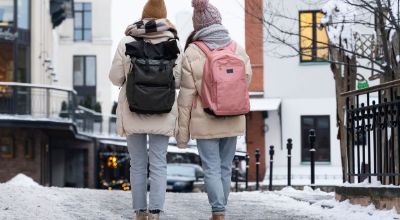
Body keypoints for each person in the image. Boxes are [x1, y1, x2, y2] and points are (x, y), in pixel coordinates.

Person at [176, 0, 253, 219]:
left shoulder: (192, 51)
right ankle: (221, 209)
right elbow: (246, 80)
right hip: (233, 116)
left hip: (205, 118)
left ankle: (218, 211)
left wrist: (182, 135)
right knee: (225, 167)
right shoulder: (236, 48)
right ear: (218, 21)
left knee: (211, 167)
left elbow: (185, 97)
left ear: (198, 25)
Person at [108, 0, 181, 219]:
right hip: (163, 110)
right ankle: (156, 212)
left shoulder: (127, 41)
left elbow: (115, 78)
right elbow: (178, 81)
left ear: (143, 16)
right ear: (164, 18)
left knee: (137, 164)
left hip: (133, 109)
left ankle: (140, 212)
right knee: (159, 163)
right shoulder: (173, 43)